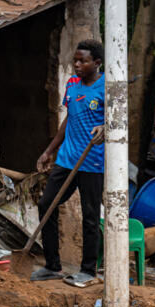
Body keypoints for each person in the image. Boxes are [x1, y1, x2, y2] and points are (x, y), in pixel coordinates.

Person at [31, 39, 107, 285]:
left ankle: (88, 271)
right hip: (67, 158)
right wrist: (49, 150)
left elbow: (115, 119)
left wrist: (105, 127)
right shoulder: (73, 84)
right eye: (75, 60)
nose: (76, 65)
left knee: (90, 216)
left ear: (96, 63)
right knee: (46, 205)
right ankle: (53, 266)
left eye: (82, 61)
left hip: (92, 161)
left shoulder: (107, 86)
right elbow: (68, 119)